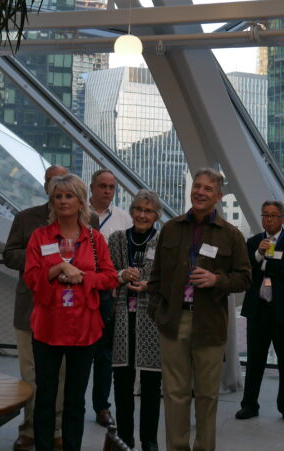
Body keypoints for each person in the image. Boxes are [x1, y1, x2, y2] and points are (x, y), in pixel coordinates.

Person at [148, 168, 251, 451]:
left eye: (208, 189)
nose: (200, 192)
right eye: (197, 186)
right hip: (174, 320)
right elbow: (156, 277)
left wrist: (217, 280)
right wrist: (158, 312)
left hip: (209, 324)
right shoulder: (171, 228)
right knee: (174, 393)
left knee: (207, 395)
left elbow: (245, 277)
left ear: (218, 196)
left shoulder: (231, 235)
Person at [25, 174, 118, 451]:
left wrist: (84, 279)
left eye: (69, 196)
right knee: (45, 397)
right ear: (52, 201)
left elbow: (111, 277)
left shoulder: (95, 239)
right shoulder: (40, 236)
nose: (64, 201)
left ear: (80, 201)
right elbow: (31, 278)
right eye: (58, 196)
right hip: (48, 327)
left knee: (75, 400)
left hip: (84, 329)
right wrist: (57, 269)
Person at [3, 164, 69, 451]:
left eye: (64, 183)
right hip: (30, 308)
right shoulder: (26, 218)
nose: (58, 189)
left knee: (62, 373)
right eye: (53, 182)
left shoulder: (81, 222)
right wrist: (38, 263)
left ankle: (55, 428)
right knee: (30, 373)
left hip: (66, 312)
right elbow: (9, 254)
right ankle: (29, 429)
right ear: (45, 186)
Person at [109, 190, 164, 451]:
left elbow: (170, 278)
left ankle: (149, 440)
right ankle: (125, 437)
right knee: (122, 382)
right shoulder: (118, 238)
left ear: (157, 216)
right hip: (121, 320)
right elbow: (105, 273)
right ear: (131, 212)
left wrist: (150, 284)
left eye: (149, 211)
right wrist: (121, 274)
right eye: (139, 209)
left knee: (152, 383)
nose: (143, 215)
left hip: (152, 321)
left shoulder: (163, 242)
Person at [237, 200, 284, 423]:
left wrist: (265, 264)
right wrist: (259, 255)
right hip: (258, 310)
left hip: (283, 312)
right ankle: (249, 404)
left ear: (282, 218)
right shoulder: (253, 242)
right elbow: (245, 271)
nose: (269, 219)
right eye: (266, 215)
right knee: (255, 361)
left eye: (274, 216)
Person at [88, 169, 132, 427]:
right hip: (80, 291)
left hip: (109, 294)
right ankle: (74, 403)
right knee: (79, 353)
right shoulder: (79, 213)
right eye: (102, 186)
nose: (107, 191)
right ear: (91, 188)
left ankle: (102, 407)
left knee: (104, 355)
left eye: (112, 187)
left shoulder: (122, 219)